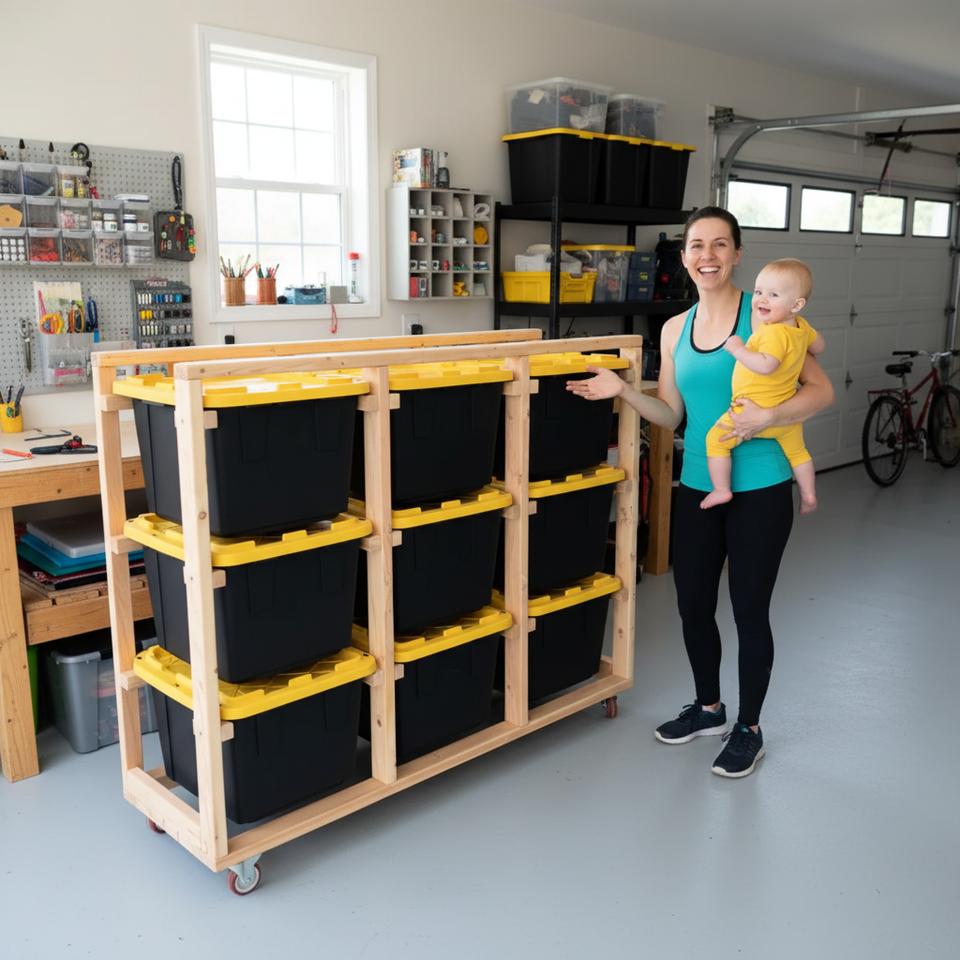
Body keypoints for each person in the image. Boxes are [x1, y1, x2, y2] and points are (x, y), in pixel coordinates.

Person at [566, 207, 834, 778]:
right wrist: (622, 390)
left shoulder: (767, 312)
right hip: (697, 484)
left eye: (719, 245)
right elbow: (670, 413)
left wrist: (768, 417)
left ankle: (749, 729)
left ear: (738, 253)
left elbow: (822, 392)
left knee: (749, 610)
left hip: (760, 483)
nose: (706, 255)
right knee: (692, 605)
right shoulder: (674, 329)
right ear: (684, 257)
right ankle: (709, 708)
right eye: (695, 246)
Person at [701, 258, 826, 514]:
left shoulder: (773, 332)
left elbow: (767, 364)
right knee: (799, 454)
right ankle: (809, 495)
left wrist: (738, 349)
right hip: (785, 418)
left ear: (796, 304)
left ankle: (721, 489)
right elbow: (820, 346)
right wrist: (805, 343)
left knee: (714, 440)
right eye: (758, 292)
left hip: (750, 411)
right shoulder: (801, 327)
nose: (762, 299)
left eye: (773, 294)